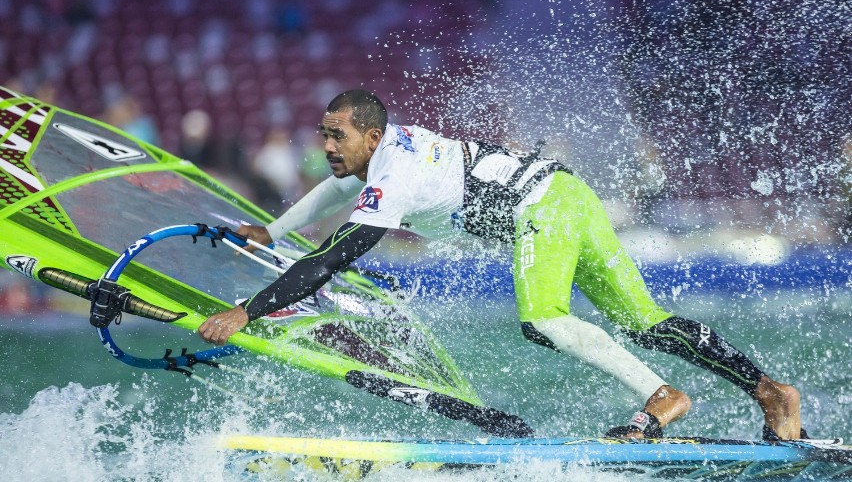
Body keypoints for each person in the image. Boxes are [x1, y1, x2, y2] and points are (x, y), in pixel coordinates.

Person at [200, 90, 804, 440]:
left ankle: (663, 396)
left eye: (337, 135)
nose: (327, 147)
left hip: (540, 209)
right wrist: (273, 230)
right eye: (322, 134)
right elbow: (338, 187)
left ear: (372, 135)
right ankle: (772, 392)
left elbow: (333, 256)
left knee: (542, 319)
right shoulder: (383, 152)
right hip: (569, 197)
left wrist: (247, 311)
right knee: (646, 322)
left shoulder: (398, 173)